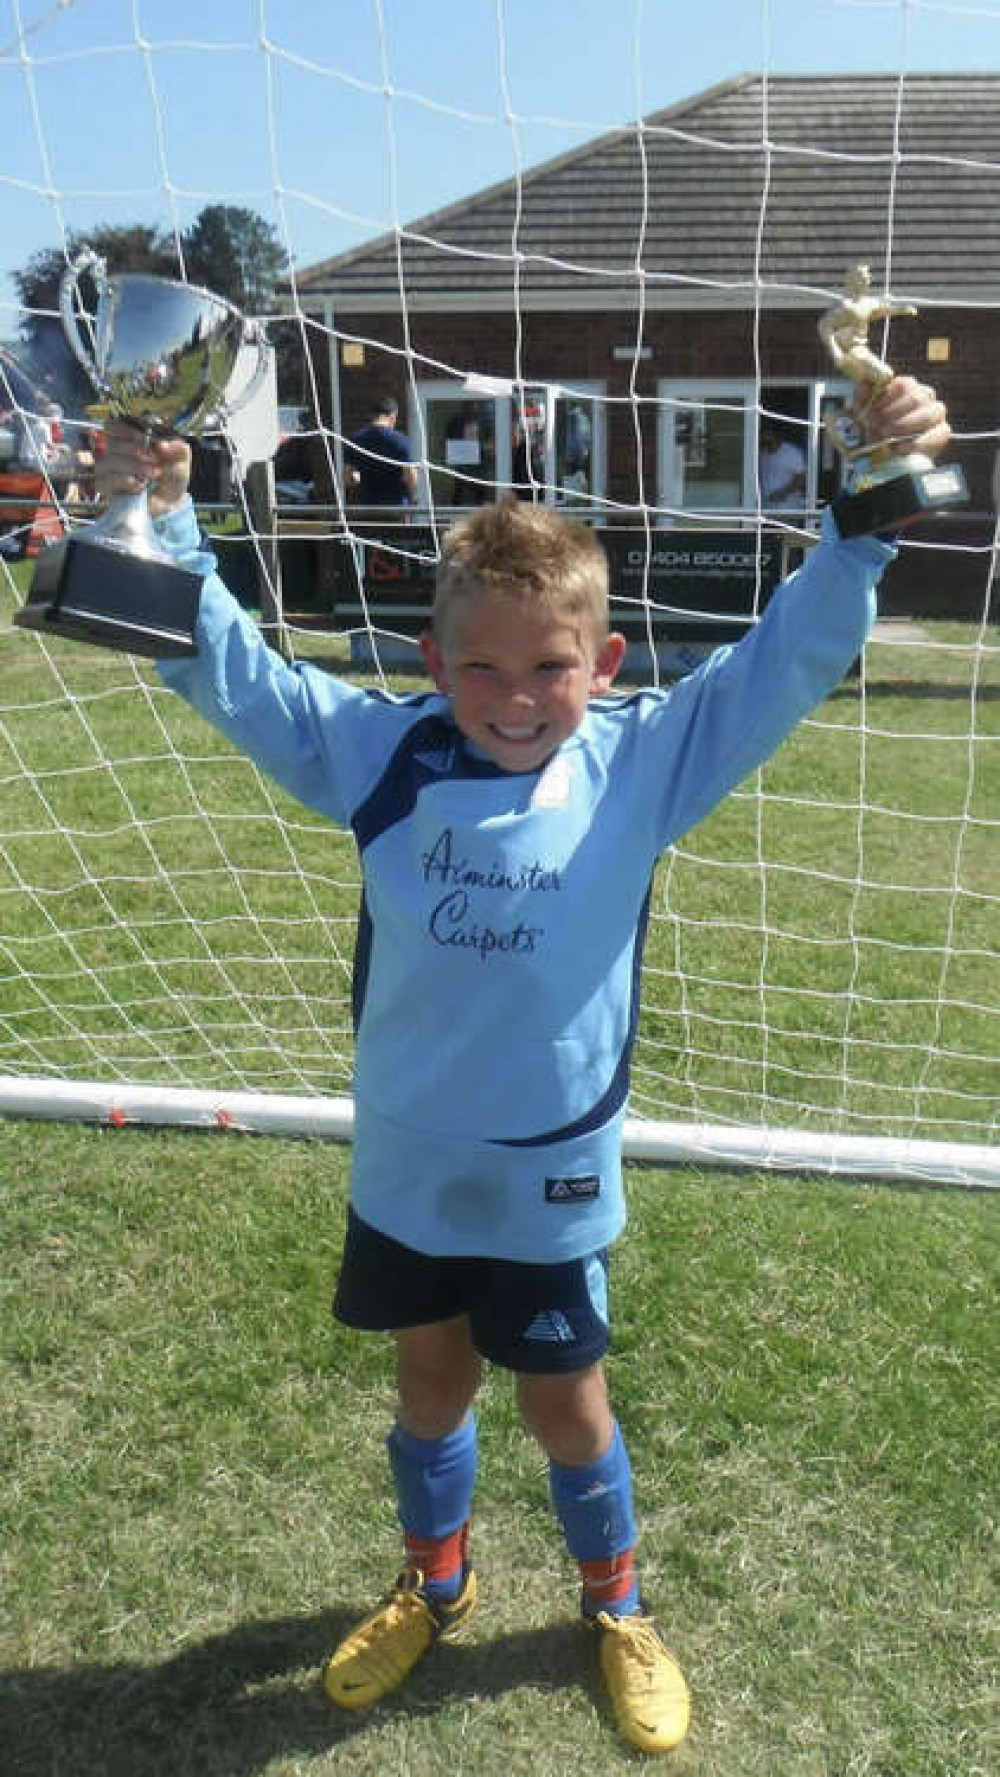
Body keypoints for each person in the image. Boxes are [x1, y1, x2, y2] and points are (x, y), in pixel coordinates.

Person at [95, 371, 950, 1758]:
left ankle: (614, 1608)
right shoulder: (379, 756)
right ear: (434, 668)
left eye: (549, 665)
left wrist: (861, 527)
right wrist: (164, 521)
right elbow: (234, 671)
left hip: (553, 1169)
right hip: (408, 1164)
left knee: (567, 1401)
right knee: (427, 1386)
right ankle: (435, 1585)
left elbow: (780, 659)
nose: (512, 696)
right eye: (479, 667)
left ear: (602, 665)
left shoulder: (641, 766)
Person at [345, 393, 418, 506]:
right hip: (395, 507)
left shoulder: (355, 440)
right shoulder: (400, 440)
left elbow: (348, 478)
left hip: (366, 506)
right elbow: (411, 477)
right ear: (393, 416)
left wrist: (361, 478)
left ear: (373, 415)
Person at [758, 421, 808, 510]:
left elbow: (801, 477)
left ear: (773, 434)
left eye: (764, 433)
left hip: (787, 509)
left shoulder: (791, 452)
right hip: (765, 509)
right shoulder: (762, 453)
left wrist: (783, 493)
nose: (761, 437)